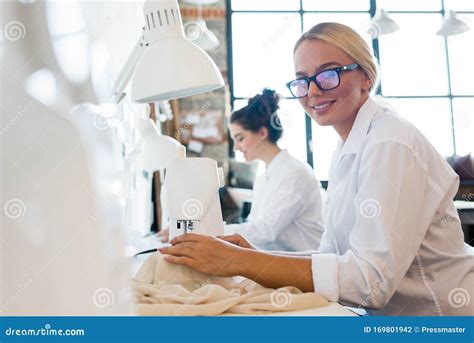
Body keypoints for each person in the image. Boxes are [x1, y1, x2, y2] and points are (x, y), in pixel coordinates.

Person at [159, 23, 473, 316]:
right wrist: (252, 254)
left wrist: (241, 261)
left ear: (366, 76)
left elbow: (369, 283)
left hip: (443, 315)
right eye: (302, 80)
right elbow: (333, 257)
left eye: (328, 75)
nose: (312, 92)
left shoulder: (388, 143)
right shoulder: (348, 147)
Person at [224, 88, 325, 251]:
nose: (236, 147)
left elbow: (265, 231)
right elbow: (254, 227)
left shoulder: (295, 174)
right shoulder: (264, 178)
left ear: (262, 133)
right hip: (276, 262)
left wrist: (211, 231)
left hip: (306, 266)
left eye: (240, 138)